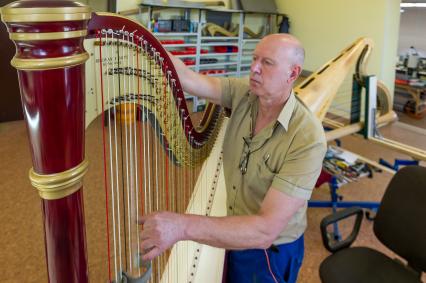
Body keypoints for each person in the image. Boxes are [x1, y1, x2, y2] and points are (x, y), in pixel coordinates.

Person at [139, 34, 327, 283]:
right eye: (254, 58)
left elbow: (264, 230)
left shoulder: (307, 138)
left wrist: (181, 226)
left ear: (292, 74)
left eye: (267, 63)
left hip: (269, 253)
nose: (254, 68)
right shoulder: (243, 94)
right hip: (234, 227)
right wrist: (144, 44)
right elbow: (188, 79)